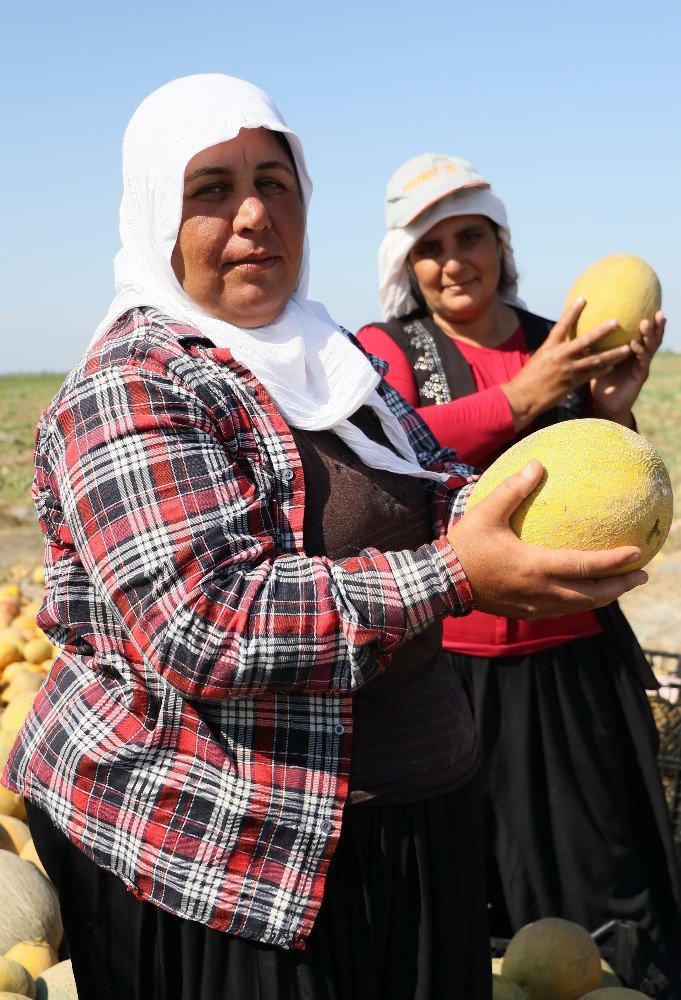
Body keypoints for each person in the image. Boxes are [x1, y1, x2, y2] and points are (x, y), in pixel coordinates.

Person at [1, 81, 648, 1000]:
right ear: (155, 216)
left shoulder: (330, 359)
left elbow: (435, 488)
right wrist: (454, 576)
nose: (254, 214)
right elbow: (208, 624)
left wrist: (526, 513)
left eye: (275, 181)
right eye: (211, 190)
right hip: (230, 860)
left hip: (408, 828)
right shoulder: (132, 384)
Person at [357, 152, 681, 997]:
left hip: (568, 659)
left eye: (472, 237)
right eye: (432, 246)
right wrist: (520, 397)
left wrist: (611, 404)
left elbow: (600, 471)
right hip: (447, 668)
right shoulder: (381, 351)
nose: (454, 260)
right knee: (467, 885)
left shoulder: (556, 341)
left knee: (600, 873)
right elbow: (392, 462)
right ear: (406, 264)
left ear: (503, 245)